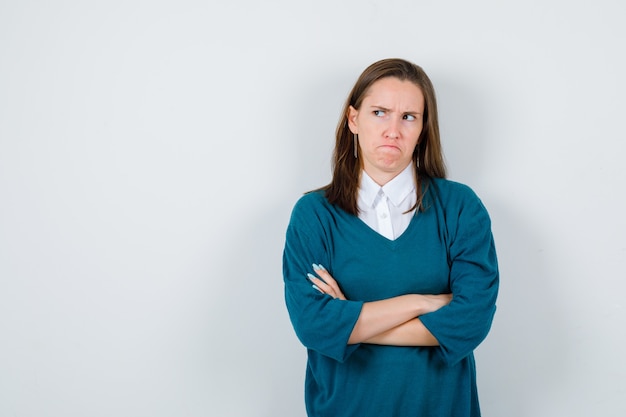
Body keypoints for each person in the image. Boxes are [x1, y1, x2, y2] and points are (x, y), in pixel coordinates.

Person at [282, 58, 499, 417]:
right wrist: (422, 302)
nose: (393, 130)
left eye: (408, 117)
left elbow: (471, 321)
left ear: (423, 127)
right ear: (354, 119)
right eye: (379, 112)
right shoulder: (314, 215)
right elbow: (312, 325)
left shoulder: (460, 207)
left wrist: (350, 322)